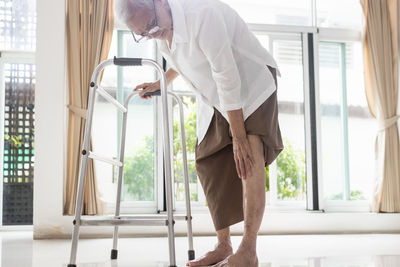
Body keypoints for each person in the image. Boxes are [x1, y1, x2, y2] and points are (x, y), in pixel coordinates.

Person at [115, 0, 284, 266]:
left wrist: (238, 136)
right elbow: (182, 62)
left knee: (248, 158)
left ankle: (248, 250)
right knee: (207, 158)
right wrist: (161, 83)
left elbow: (226, 73)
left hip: (250, 83)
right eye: (143, 33)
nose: (152, 33)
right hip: (217, 94)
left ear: (160, 2)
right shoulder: (161, 29)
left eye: (150, 25)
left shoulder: (203, 15)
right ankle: (223, 245)